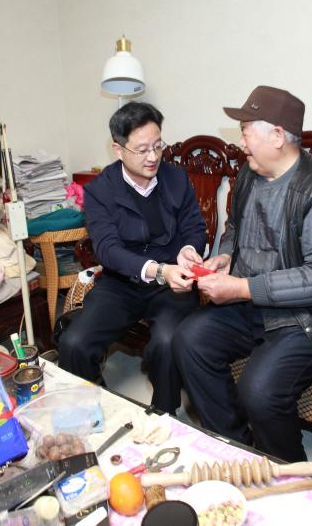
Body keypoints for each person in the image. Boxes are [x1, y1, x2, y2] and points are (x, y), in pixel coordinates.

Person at [174, 86, 312, 462]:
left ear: (277, 136)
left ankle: (287, 470)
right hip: (251, 303)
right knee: (189, 339)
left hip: (307, 316)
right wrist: (226, 256)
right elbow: (234, 228)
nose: (240, 142)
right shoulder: (248, 173)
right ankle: (236, 449)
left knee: (259, 390)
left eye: (246, 132)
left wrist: (242, 287)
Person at [58, 102, 207, 414]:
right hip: (122, 283)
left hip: (171, 286)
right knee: (75, 343)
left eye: (158, 146)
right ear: (118, 149)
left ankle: (164, 415)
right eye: (142, 150)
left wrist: (188, 250)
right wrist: (157, 270)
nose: (153, 157)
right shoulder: (100, 191)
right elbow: (107, 250)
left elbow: (194, 228)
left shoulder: (176, 178)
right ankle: (92, 411)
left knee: (166, 341)